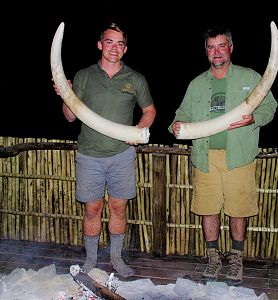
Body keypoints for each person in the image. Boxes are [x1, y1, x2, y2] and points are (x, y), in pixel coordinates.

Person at [169, 26, 277, 286]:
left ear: (231, 47)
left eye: (221, 45)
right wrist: (176, 124)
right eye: (211, 47)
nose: (216, 51)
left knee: (238, 210)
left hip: (238, 156)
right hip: (205, 157)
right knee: (208, 209)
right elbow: (181, 113)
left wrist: (255, 117)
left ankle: (236, 260)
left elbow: (270, 106)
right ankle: (213, 258)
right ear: (206, 51)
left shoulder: (250, 77)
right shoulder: (196, 84)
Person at [54, 22, 156, 278]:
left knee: (119, 208)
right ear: (100, 45)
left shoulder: (135, 79)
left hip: (122, 154)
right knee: (92, 209)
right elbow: (69, 117)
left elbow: (149, 111)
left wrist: (138, 131)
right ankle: (90, 260)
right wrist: (65, 96)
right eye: (109, 42)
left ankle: (116, 259)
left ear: (125, 49)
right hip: (90, 155)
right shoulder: (84, 76)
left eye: (120, 43)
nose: (114, 47)